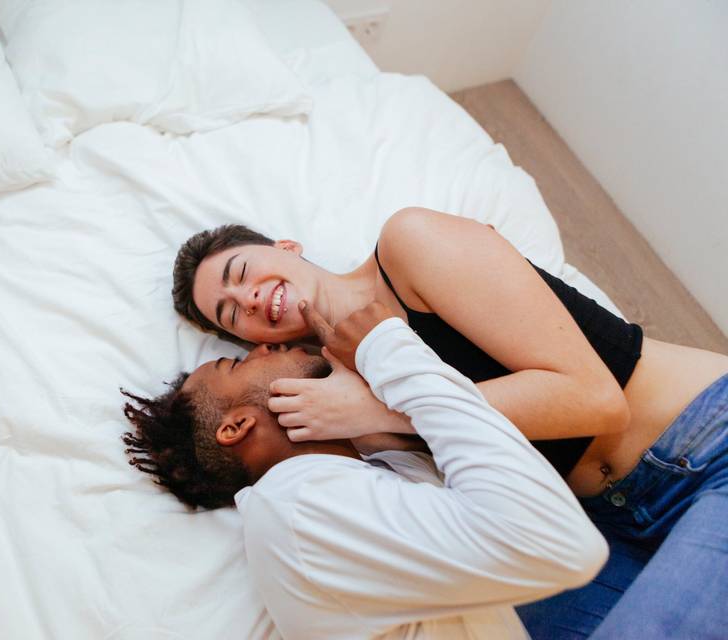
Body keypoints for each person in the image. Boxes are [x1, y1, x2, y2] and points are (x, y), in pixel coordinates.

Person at [171, 210, 728, 639]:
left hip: (702, 445)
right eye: (230, 313)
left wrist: (377, 411)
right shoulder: (326, 398)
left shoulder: (409, 246)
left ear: (284, 248)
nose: (247, 297)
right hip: (599, 519)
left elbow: (596, 400)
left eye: (240, 273)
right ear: (256, 342)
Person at [123, 302, 607, 640]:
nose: (261, 348)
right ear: (238, 426)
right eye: (237, 363)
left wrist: (366, 391)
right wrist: (388, 349)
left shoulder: (350, 476)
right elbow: (562, 544)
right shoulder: (300, 508)